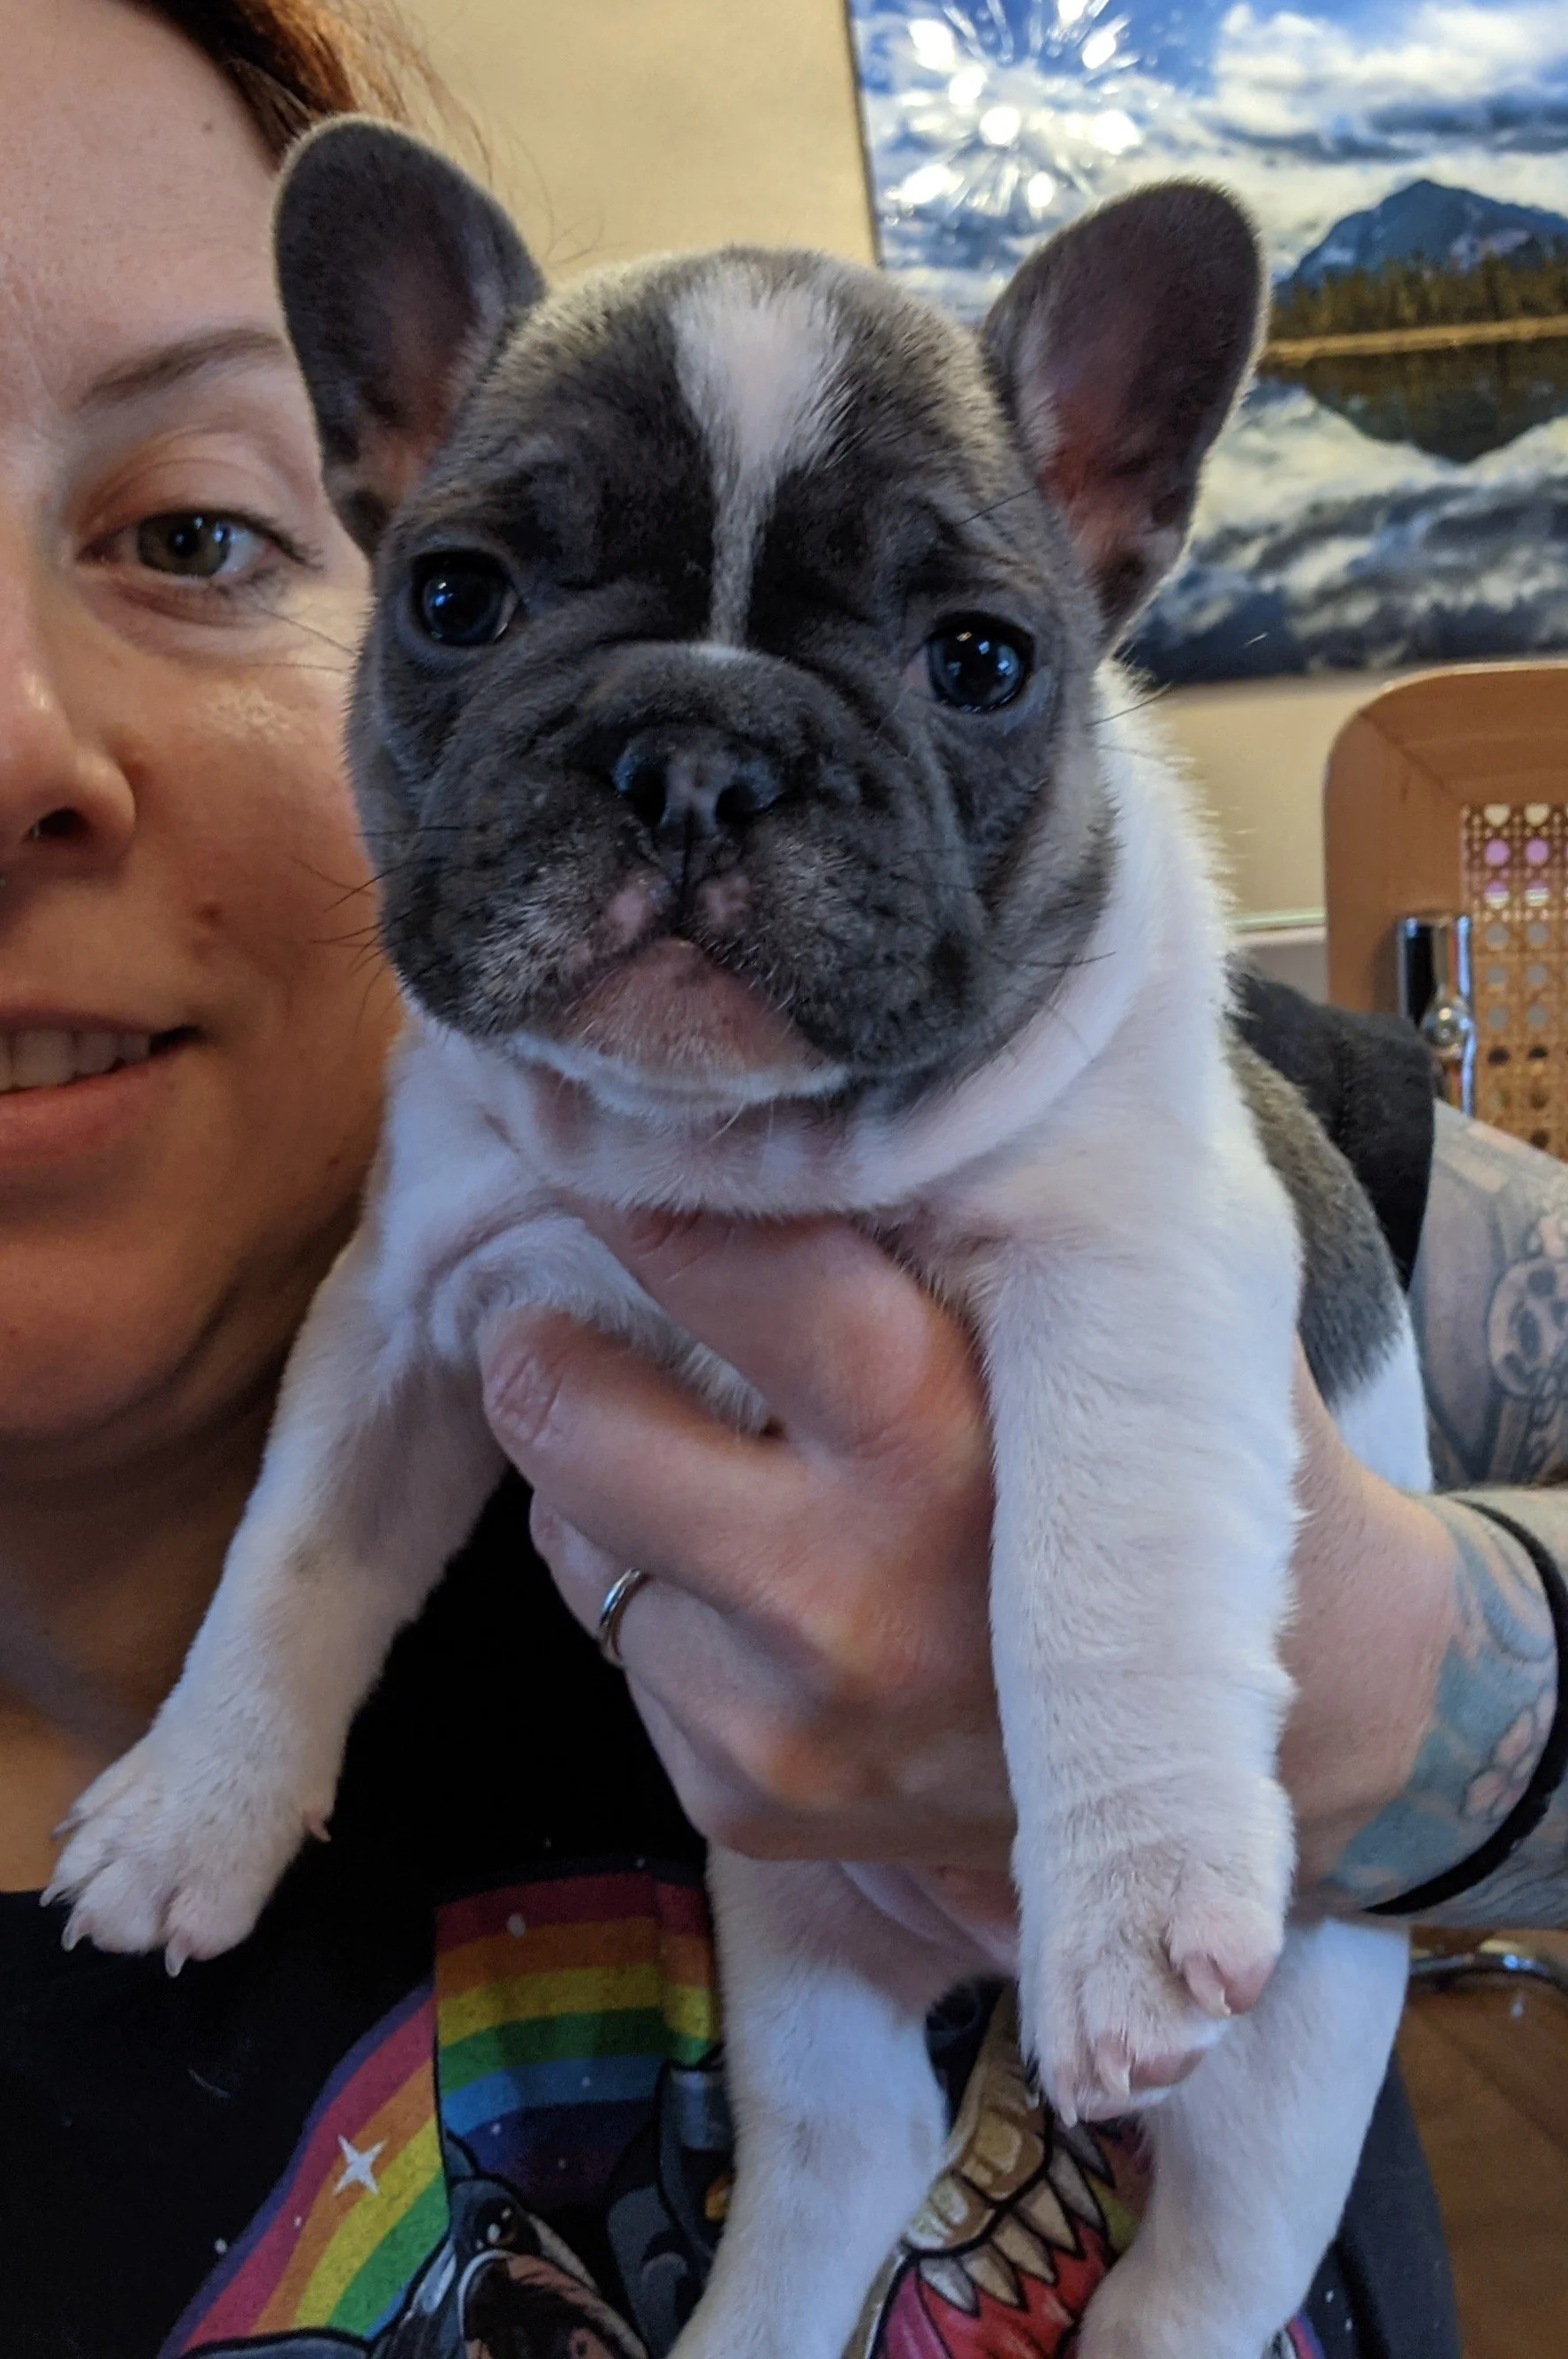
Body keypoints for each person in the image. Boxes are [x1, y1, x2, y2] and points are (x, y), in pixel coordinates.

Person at [0, 4, 1560, 2355]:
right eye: (486, 595)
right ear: (392, 442)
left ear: (1108, 524)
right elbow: (404, 1344)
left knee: (1223, 2223)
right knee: (812, 2042)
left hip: (1236, 1884)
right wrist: (250, 1726)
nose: (697, 786)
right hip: (787, 1939)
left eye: (189, 530)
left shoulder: (1201, 1076)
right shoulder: (475, 1114)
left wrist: (1367, 1706)